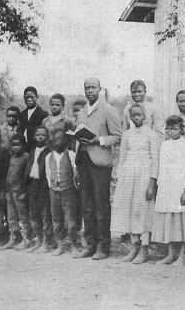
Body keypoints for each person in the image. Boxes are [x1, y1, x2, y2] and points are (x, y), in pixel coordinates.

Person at [74, 78, 122, 260]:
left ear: (100, 89)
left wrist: (98, 140)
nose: (90, 91)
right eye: (87, 88)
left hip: (100, 163)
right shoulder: (82, 112)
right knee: (87, 206)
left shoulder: (108, 110)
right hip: (84, 161)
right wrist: (77, 165)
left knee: (101, 206)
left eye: (93, 88)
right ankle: (90, 245)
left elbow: (118, 137)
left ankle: (103, 247)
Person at [111, 104, 162, 264]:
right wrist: (119, 176)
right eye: (133, 115)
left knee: (143, 210)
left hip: (144, 174)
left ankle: (145, 249)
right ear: (129, 117)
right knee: (130, 209)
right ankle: (134, 247)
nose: (137, 118)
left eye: (139, 115)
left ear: (145, 116)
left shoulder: (152, 135)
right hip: (128, 174)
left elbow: (155, 160)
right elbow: (122, 157)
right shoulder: (127, 135)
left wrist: (152, 182)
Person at [151, 115, 185, 266]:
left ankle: (182, 256)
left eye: (175, 129)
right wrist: (159, 187)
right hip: (166, 189)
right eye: (168, 129)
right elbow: (162, 167)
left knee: (180, 223)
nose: (171, 132)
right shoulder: (164, 145)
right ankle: (170, 254)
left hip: (180, 188)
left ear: (181, 129)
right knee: (169, 222)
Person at [46, 128, 81, 257]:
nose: (58, 142)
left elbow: (75, 173)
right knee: (56, 218)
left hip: (68, 191)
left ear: (66, 141)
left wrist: (72, 187)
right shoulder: (48, 157)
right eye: (55, 139)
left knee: (70, 219)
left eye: (61, 139)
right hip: (54, 191)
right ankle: (60, 245)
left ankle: (73, 245)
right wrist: (53, 188)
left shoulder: (71, 155)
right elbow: (48, 174)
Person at [25, 126, 54, 253]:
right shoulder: (32, 151)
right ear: (34, 137)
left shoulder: (49, 151)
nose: (40, 137)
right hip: (32, 184)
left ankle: (47, 242)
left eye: (43, 135)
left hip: (43, 185)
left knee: (45, 214)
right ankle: (39, 239)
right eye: (38, 134)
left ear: (47, 137)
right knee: (34, 213)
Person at [2, 135, 31, 250]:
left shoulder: (26, 157)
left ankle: (27, 239)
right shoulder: (12, 157)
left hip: (20, 191)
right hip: (10, 190)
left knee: (23, 216)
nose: (15, 148)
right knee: (11, 215)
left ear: (23, 145)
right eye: (13, 145)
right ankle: (13, 237)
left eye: (18, 145)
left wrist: (24, 191)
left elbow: (26, 176)